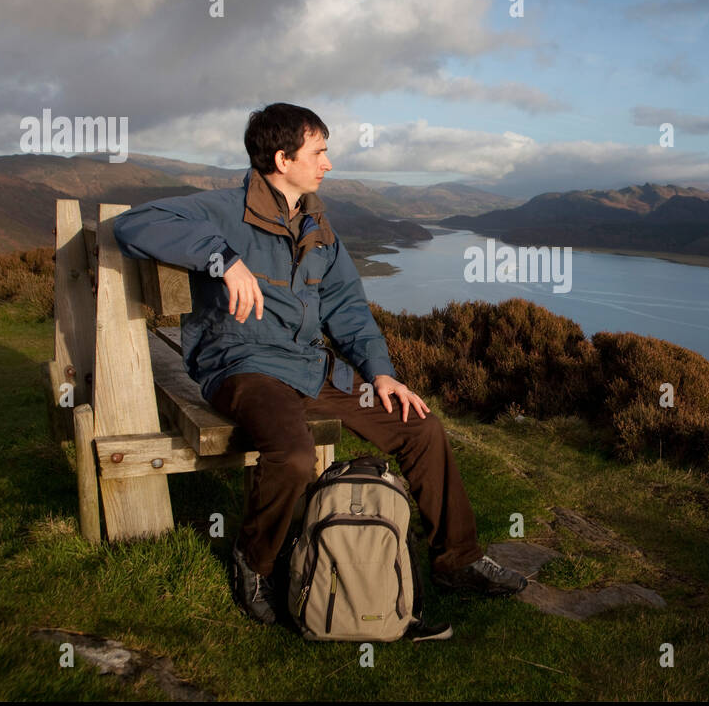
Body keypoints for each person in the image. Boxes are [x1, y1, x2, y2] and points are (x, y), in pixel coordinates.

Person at [112, 102, 527, 632]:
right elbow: (135, 224)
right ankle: (255, 564)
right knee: (292, 455)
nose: (328, 164)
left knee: (420, 427)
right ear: (283, 159)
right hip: (242, 367)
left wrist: (380, 372)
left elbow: (347, 306)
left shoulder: (317, 224)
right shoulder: (222, 210)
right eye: (319, 152)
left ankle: (457, 560)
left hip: (310, 368)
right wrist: (225, 260)